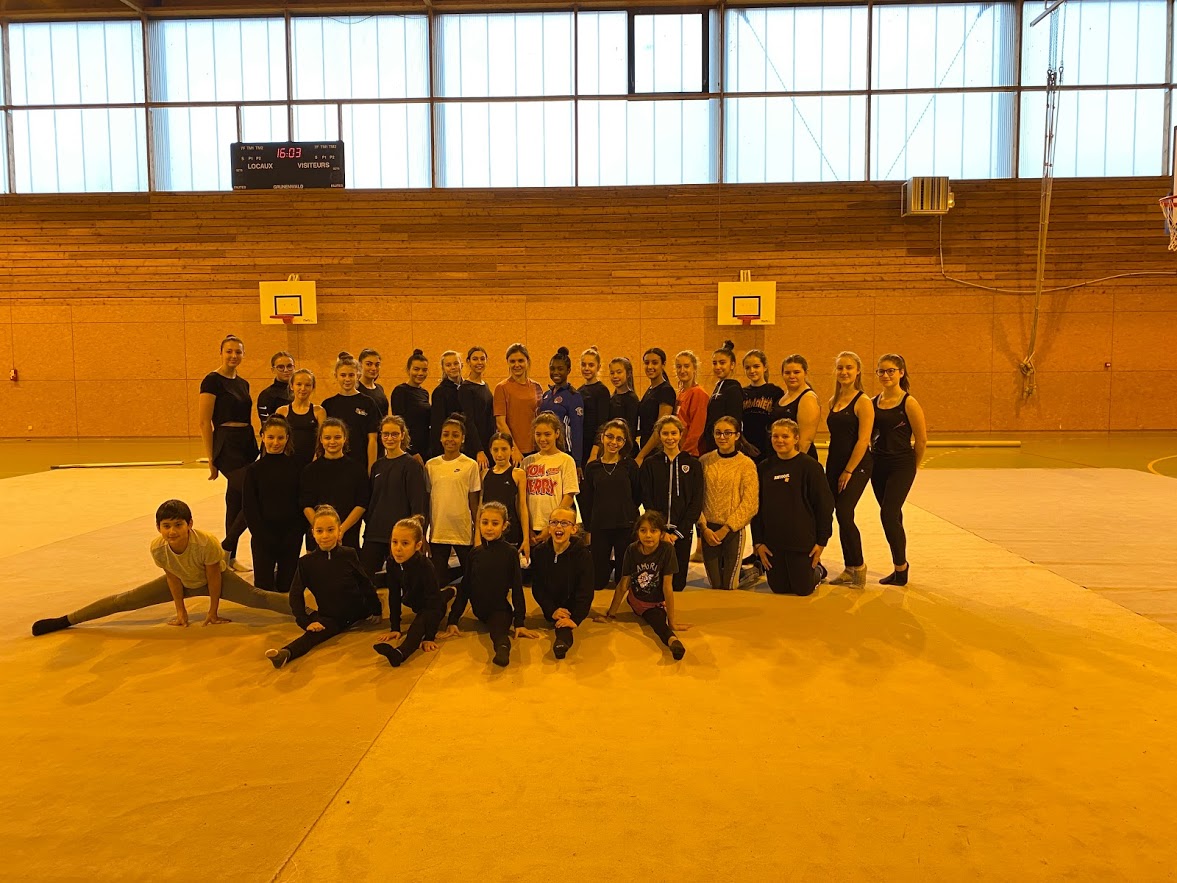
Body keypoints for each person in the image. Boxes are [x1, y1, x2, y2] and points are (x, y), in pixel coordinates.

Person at [32, 499, 290, 636]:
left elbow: (213, 577)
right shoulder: (158, 547)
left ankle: (315, 612)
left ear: (189, 524)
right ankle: (66, 620)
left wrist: (213, 612)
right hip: (182, 581)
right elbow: (173, 578)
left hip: (217, 579)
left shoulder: (207, 543)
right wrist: (181, 611)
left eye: (178, 525)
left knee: (260, 598)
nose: (172, 531)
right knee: (126, 599)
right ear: (158, 528)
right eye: (166, 526)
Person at [265, 505, 382, 669]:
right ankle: (285, 653)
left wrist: (375, 609)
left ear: (338, 531)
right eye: (319, 531)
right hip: (331, 617)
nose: (325, 536)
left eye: (330, 530)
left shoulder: (349, 553)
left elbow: (365, 583)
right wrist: (304, 622)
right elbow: (295, 594)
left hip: (359, 611)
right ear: (313, 533)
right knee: (312, 635)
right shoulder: (306, 562)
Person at [442, 502, 539, 667]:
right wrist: (453, 620)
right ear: (478, 523)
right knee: (488, 621)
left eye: (495, 523)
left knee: (498, 633)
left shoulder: (510, 553)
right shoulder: (475, 553)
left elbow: (517, 587)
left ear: (504, 526)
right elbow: (466, 587)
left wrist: (520, 622)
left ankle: (502, 651)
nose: (489, 528)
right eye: (484, 522)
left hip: (500, 610)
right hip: (479, 610)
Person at [751, 419, 835, 595]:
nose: (779, 440)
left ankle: (818, 571)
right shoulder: (764, 468)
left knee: (803, 589)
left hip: (801, 540)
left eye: (785, 436)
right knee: (779, 589)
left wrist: (821, 542)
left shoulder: (810, 467)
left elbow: (824, 506)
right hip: (774, 540)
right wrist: (758, 542)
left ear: (796, 439)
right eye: (775, 436)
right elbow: (755, 507)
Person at [198, 334, 258, 570]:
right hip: (226, 444)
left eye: (238, 352)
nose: (234, 356)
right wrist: (211, 458)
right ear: (221, 352)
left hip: (246, 443)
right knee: (253, 494)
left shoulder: (243, 383)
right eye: (229, 351)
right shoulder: (212, 381)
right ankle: (227, 545)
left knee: (235, 500)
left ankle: (229, 559)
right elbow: (204, 422)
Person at [596, 510, 687, 660]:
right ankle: (672, 640)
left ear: (662, 533)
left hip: (657, 601)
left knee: (659, 618)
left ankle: (673, 640)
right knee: (657, 621)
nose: (648, 535)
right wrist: (610, 615)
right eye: (643, 530)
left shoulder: (667, 550)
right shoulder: (632, 549)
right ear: (637, 532)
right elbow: (623, 584)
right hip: (638, 601)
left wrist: (673, 621)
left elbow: (667, 587)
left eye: (654, 530)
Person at [871, 354, 927, 586]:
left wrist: (912, 467)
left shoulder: (909, 403)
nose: (886, 375)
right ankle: (898, 567)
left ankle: (901, 568)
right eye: (881, 371)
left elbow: (921, 440)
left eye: (891, 371)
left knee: (888, 514)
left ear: (901, 372)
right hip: (879, 465)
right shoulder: (873, 401)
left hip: (901, 464)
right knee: (893, 516)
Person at [371, 516, 456, 668]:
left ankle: (400, 653)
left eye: (405, 543)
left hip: (433, 606)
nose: (398, 548)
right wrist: (395, 627)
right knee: (440, 595)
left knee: (418, 625)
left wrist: (430, 636)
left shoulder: (425, 566)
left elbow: (433, 603)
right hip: (416, 601)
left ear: (417, 546)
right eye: (394, 542)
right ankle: (451, 591)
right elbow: (394, 595)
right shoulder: (392, 563)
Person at [825, 352, 875, 588]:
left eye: (849, 368)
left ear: (857, 372)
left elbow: (863, 440)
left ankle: (859, 566)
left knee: (845, 512)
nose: (844, 372)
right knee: (839, 515)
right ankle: (849, 568)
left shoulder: (863, 401)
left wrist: (849, 471)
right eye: (840, 368)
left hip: (857, 465)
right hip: (834, 464)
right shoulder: (832, 401)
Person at [639, 414, 703, 592]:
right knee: (656, 583)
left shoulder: (693, 464)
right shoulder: (651, 464)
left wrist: (678, 532)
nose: (670, 438)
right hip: (657, 531)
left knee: (677, 585)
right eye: (665, 433)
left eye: (673, 433)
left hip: (681, 531)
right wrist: (661, 530)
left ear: (681, 434)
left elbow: (696, 501)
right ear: (659, 435)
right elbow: (647, 498)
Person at [361, 414, 428, 580]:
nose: (389, 438)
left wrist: (417, 535)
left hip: (401, 537)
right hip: (375, 533)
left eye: (394, 434)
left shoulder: (411, 465)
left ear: (402, 435)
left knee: (401, 583)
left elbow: (418, 503)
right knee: (363, 579)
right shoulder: (377, 466)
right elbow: (373, 499)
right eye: (386, 434)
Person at [242, 417, 303, 593]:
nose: (275, 443)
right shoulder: (254, 470)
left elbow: (301, 502)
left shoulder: (296, 467)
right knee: (263, 588)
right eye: (270, 437)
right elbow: (249, 507)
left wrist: (296, 532)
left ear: (287, 438)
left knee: (286, 587)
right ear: (262, 436)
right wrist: (261, 535)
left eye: (280, 438)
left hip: (290, 536)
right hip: (263, 536)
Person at [698, 416, 759, 590]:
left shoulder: (746, 464)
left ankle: (752, 572)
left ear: (737, 435)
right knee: (716, 584)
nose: (722, 437)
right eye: (718, 433)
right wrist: (704, 528)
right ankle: (740, 570)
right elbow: (696, 499)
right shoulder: (704, 462)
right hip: (709, 529)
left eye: (728, 433)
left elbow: (750, 503)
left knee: (730, 585)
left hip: (732, 529)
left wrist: (727, 528)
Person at [579, 418, 640, 591]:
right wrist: (589, 529)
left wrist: (628, 512)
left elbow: (637, 494)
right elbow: (587, 500)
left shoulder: (630, 466)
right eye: (610, 437)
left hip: (624, 525)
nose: (613, 442)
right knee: (598, 582)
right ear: (602, 438)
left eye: (619, 439)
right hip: (600, 526)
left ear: (624, 441)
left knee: (623, 581)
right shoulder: (592, 468)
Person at [529, 507, 594, 659]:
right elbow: (537, 587)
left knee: (564, 625)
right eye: (554, 523)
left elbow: (586, 591)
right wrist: (551, 609)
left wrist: (575, 619)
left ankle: (562, 642)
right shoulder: (539, 552)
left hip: (572, 607)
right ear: (549, 528)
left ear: (573, 529)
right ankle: (561, 635)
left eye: (564, 523)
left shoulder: (583, 555)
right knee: (557, 619)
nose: (559, 527)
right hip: (550, 606)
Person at [425, 414, 481, 585]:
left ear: (463, 438)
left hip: (462, 532)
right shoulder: (431, 465)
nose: (450, 439)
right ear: (441, 437)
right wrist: (424, 534)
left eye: (455, 435)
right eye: (446, 434)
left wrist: (476, 532)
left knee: (471, 579)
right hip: (438, 533)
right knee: (438, 582)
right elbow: (428, 502)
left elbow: (474, 503)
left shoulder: (470, 465)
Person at [299, 418, 369, 551]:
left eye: (337, 437)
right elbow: (306, 504)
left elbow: (361, 504)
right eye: (327, 437)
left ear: (344, 439)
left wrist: (339, 531)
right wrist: (322, 530)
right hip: (318, 538)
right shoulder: (309, 471)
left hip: (347, 536)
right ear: (321, 439)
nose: (332, 442)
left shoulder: (357, 470)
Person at [523, 412, 580, 546]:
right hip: (531, 528)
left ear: (557, 434)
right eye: (538, 434)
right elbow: (521, 499)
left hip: (556, 528)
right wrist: (527, 529)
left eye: (547, 434)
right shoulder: (527, 462)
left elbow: (569, 496)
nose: (542, 439)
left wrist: (552, 526)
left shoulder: (566, 460)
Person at [322, 352, 379, 472]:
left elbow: (373, 439)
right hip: (334, 464)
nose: (347, 379)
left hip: (360, 463)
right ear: (336, 376)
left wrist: (371, 468)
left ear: (357, 376)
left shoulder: (368, 403)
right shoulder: (328, 404)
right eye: (343, 375)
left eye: (351, 375)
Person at [479, 431, 530, 560]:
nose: (500, 454)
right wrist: (477, 538)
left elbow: (522, 507)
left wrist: (526, 538)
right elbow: (480, 507)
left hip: (510, 531)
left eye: (504, 449)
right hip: (488, 531)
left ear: (512, 450)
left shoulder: (518, 474)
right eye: (495, 450)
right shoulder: (484, 474)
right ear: (490, 451)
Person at [493, 343, 543, 465]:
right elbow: (500, 423)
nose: (517, 365)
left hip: (536, 449)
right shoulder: (501, 388)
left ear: (527, 361)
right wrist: (514, 449)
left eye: (521, 361)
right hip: (514, 452)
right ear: (508, 363)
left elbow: (540, 419)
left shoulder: (537, 387)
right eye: (512, 361)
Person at [538, 346, 585, 464]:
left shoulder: (574, 396)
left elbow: (577, 430)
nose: (555, 373)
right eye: (552, 369)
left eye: (560, 369)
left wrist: (577, 461)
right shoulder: (546, 395)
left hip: (565, 453)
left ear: (568, 370)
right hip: (545, 451)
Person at [275, 368, 326, 473]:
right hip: (287, 463)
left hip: (312, 462)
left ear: (312, 387)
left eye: (307, 385)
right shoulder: (282, 411)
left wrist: (317, 458)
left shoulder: (319, 411)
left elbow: (323, 439)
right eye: (299, 384)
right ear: (291, 386)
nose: (303, 388)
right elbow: (277, 439)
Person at [634, 347, 676, 464]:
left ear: (663, 364)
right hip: (646, 449)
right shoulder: (650, 389)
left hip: (657, 452)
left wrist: (641, 455)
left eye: (655, 363)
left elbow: (660, 427)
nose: (650, 367)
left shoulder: (666, 391)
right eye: (647, 363)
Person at [773, 355, 820, 460]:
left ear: (805, 373)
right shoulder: (784, 397)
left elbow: (805, 440)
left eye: (796, 372)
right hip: (782, 456)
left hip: (799, 460)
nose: (792, 376)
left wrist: (793, 464)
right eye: (787, 373)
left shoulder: (808, 398)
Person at [702, 340, 745, 455]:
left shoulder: (733, 389)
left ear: (732, 365)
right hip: (713, 443)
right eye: (714, 363)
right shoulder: (719, 387)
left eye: (722, 363)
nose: (717, 367)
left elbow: (733, 421)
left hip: (724, 446)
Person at [741, 349, 784, 464]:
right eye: (748, 368)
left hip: (769, 446)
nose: (752, 370)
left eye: (756, 366)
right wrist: (745, 444)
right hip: (748, 446)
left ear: (764, 367)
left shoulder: (775, 392)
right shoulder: (742, 393)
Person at [391, 349, 431, 463]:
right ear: (408, 370)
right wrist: (412, 452)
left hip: (426, 449)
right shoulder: (400, 391)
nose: (420, 373)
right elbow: (399, 425)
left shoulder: (424, 393)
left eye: (424, 370)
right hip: (410, 451)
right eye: (416, 369)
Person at [461, 345, 496, 469]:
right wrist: (479, 450)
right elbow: (468, 421)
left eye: (482, 359)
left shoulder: (485, 385)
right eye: (475, 359)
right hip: (475, 447)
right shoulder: (465, 388)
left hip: (488, 444)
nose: (479, 362)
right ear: (468, 362)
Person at [577, 345, 611, 468]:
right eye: (583, 365)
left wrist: (594, 451)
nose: (586, 368)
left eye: (591, 365)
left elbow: (603, 423)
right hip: (582, 445)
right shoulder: (579, 391)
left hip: (595, 447)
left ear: (598, 367)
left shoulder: (602, 391)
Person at [429, 350, 466, 459]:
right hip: (450, 445)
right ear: (443, 368)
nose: (453, 367)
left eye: (456, 363)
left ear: (461, 365)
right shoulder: (439, 392)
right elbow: (437, 424)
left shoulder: (468, 388)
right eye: (448, 365)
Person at [674, 350, 709, 458]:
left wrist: (685, 452)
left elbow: (697, 429)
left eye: (686, 366)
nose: (682, 370)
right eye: (679, 367)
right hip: (678, 449)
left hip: (691, 453)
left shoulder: (698, 393)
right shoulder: (681, 393)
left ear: (694, 368)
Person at [604, 356, 639, 457]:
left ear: (628, 374)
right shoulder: (612, 398)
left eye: (619, 372)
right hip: (612, 448)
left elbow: (631, 430)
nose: (615, 376)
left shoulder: (631, 398)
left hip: (625, 451)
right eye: (612, 373)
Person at [256, 351, 295, 423]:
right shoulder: (266, 395)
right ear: (273, 370)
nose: (286, 370)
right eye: (281, 367)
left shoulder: (299, 391)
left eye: (289, 366)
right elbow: (266, 425)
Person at [357, 348, 390, 418]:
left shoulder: (380, 388)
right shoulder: (356, 389)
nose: (374, 368)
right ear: (360, 365)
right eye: (369, 364)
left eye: (377, 365)